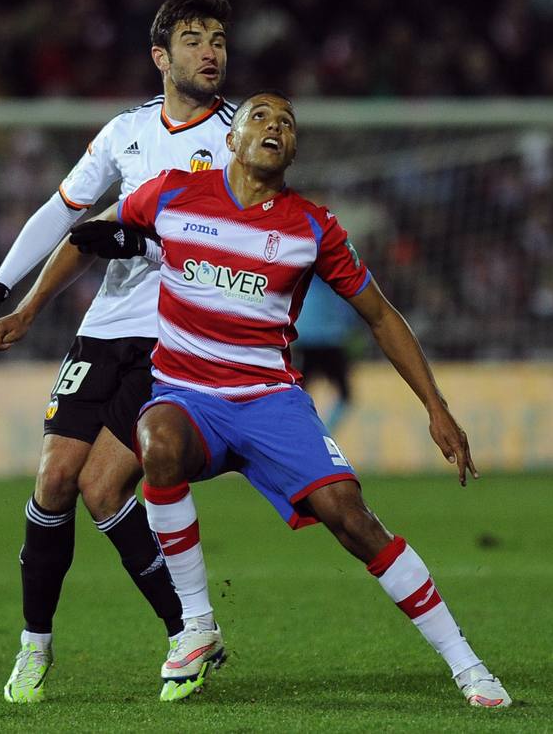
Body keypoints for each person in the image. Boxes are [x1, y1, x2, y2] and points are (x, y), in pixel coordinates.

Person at [67, 91, 513, 708]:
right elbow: (91, 232)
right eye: (259, 116)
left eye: (287, 122)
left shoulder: (313, 228)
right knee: (157, 443)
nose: (275, 126)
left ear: (294, 149)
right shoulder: (171, 191)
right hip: (187, 395)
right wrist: (27, 303)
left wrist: (436, 407)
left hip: (270, 402)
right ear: (231, 138)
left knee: (350, 516)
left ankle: (468, 666)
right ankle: (195, 626)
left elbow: (381, 317)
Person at [0, 0, 238, 704]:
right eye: (194, 39)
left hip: (178, 338)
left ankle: (187, 630)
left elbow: (239, 235)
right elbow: (66, 213)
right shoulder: (125, 131)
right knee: (53, 479)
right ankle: (33, 647)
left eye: (219, 40)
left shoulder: (238, 136)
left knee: (102, 485)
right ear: (159, 57)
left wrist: (144, 237)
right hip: (104, 330)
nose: (211, 52)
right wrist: (0, 291)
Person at [294, 273, 359, 435]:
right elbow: (349, 309)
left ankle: (306, 434)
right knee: (345, 395)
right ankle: (322, 435)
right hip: (329, 340)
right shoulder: (337, 273)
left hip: (307, 338)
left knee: (296, 395)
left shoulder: (303, 271)